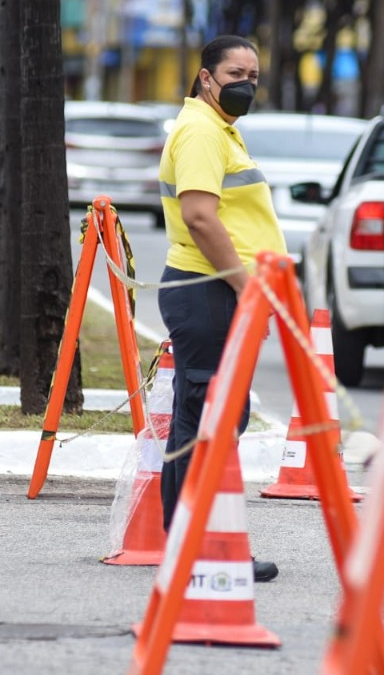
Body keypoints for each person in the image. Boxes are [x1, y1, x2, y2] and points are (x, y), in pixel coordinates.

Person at [157, 35, 286, 582]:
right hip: (208, 288)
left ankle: (191, 541)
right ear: (206, 77)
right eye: (236, 73)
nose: (246, 84)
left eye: (254, 76)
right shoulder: (202, 132)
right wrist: (245, 285)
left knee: (205, 418)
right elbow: (200, 217)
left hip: (215, 289)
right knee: (210, 417)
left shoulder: (219, 131)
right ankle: (200, 546)